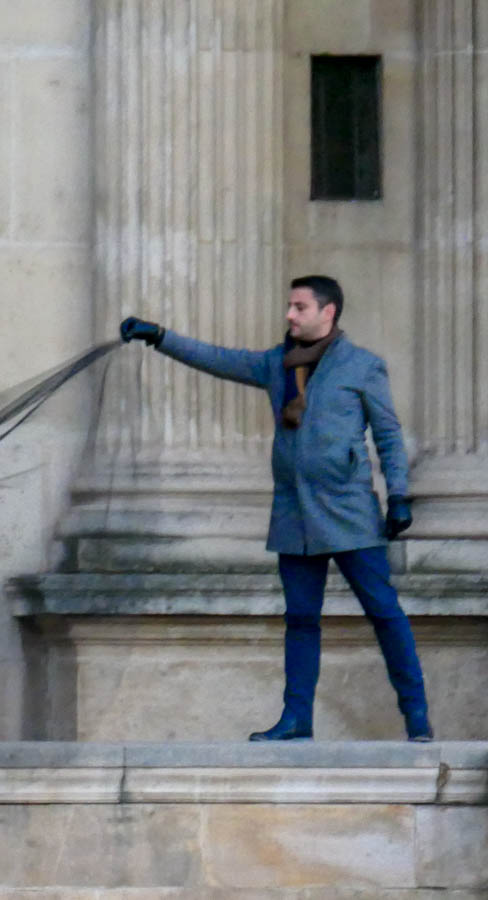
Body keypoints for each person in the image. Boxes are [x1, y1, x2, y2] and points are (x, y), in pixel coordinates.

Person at [121, 274, 432, 742]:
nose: (289, 315)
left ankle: (417, 719)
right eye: (290, 306)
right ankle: (296, 719)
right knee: (301, 621)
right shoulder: (276, 363)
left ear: (328, 312)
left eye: (299, 307)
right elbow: (218, 359)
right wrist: (160, 336)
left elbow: (388, 435)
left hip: (349, 510)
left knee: (384, 613)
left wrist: (400, 496)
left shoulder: (362, 366)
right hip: (294, 513)